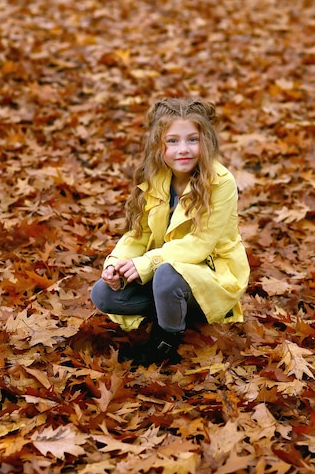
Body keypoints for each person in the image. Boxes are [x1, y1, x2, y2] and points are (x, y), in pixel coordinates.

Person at [90, 98, 250, 366]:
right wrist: (115, 264)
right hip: (165, 272)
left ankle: (165, 341)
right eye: (173, 141)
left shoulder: (220, 182)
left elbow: (199, 245)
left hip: (209, 273)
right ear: (158, 144)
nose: (183, 150)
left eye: (192, 140)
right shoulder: (155, 177)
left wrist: (147, 263)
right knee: (103, 294)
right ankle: (173, 309)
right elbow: (137, 234)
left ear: (206, 141)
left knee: (167, 272)